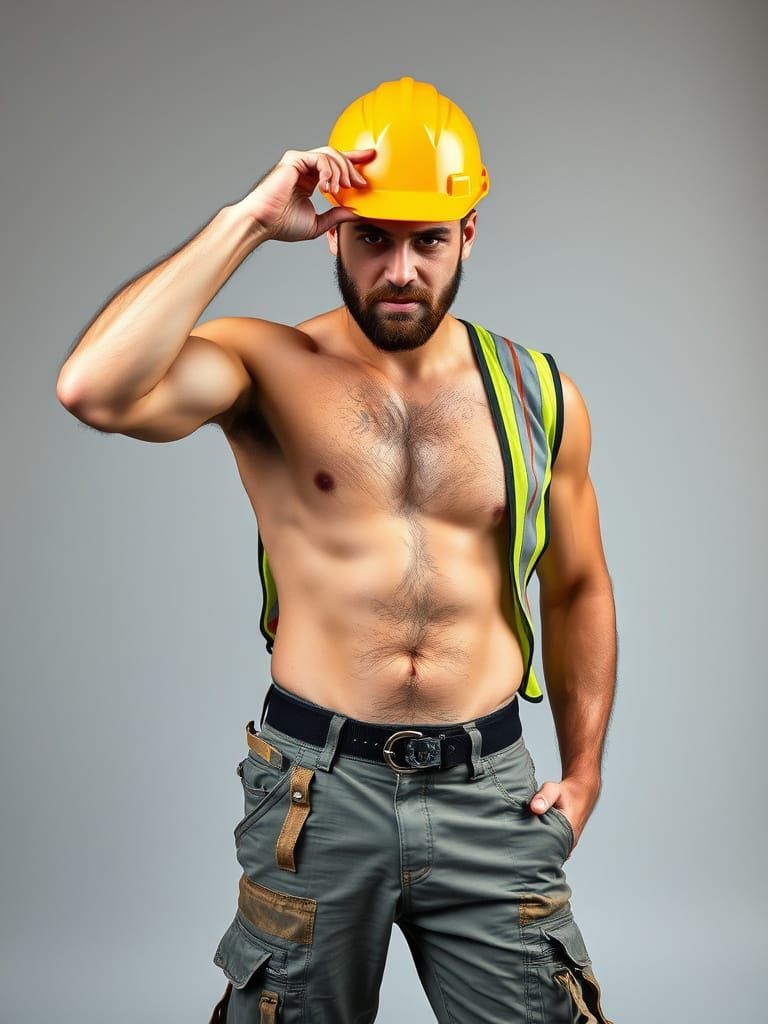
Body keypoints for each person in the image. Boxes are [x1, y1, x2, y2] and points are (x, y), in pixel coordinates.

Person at [57, 76, 616, 1024]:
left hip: (490, 793)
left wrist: (586, 769)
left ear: (468, 234)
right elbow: (94, 390)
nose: (400, 271)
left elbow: (578, 588)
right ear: (333, 233)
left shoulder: (539, 394)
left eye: (427, 241)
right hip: (318, 793)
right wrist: (244, 220)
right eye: (372, 239)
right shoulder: (267, 366)